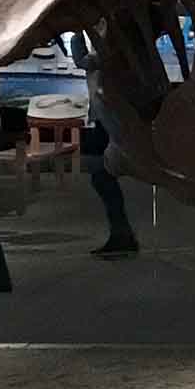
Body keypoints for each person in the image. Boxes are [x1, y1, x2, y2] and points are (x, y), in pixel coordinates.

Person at [66, 33, 138, 257]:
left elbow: (84, 61)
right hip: (105, 116)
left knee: (101, 175)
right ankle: (121, 232)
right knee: (100, 174)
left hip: (111, 117)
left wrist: (76, 34)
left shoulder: (110, 47)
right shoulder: (109, 45)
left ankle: (122, 233)